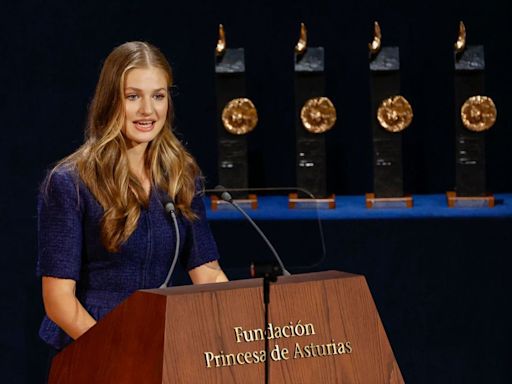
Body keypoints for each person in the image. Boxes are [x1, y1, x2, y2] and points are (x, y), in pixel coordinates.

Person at [36, 41, 228, 353]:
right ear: (111, 100)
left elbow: (207, 270)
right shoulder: (70, 182)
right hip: (94, 341)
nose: (148, 111)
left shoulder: (181, 175)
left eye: (158, 96)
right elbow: (58, 301)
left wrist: (239, 322)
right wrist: (116, 352)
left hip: (161, 339)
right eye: (133, 96)